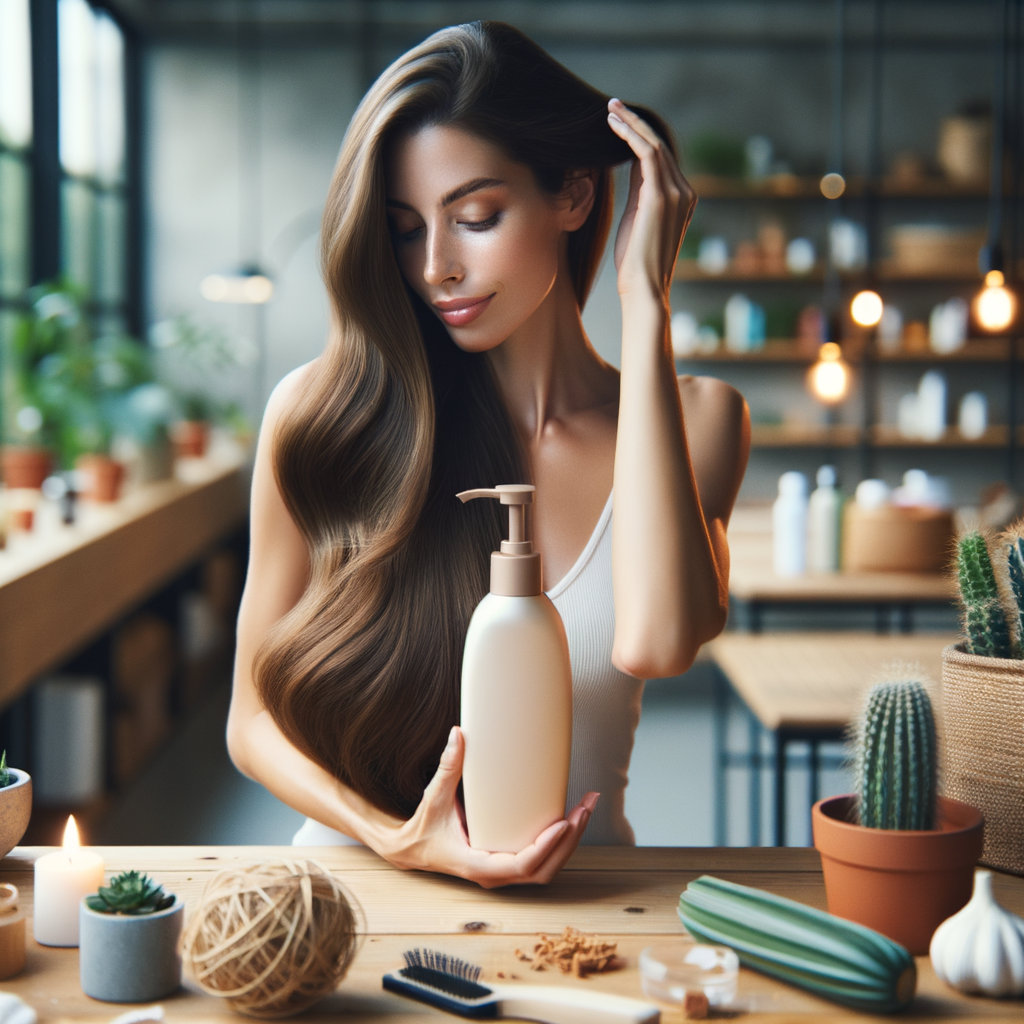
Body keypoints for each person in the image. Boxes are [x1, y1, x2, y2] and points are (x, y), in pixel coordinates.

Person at [227, 21, 749, 888]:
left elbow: (659, 640)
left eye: (475, 217)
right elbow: (250, 723)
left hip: (584, 913)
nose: (435, 267)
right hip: (358, 905)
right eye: (403, 229)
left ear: (574, 196)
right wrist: (396, 839)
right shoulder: (323, 416)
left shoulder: (699, 418)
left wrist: (645, 301)